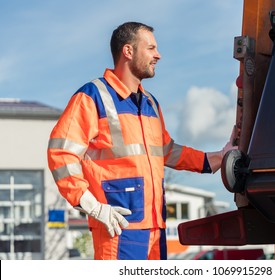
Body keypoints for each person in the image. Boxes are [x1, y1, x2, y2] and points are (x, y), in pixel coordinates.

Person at [47, 21, 235, 260]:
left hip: (156, 228)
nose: (158, 55)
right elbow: (61, 154)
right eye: (151, 48)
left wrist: (220, 157)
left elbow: (168, 151)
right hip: (117, 227)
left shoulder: (150, 103)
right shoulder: (92, 96)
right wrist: (91, 205)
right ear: (128, 51)